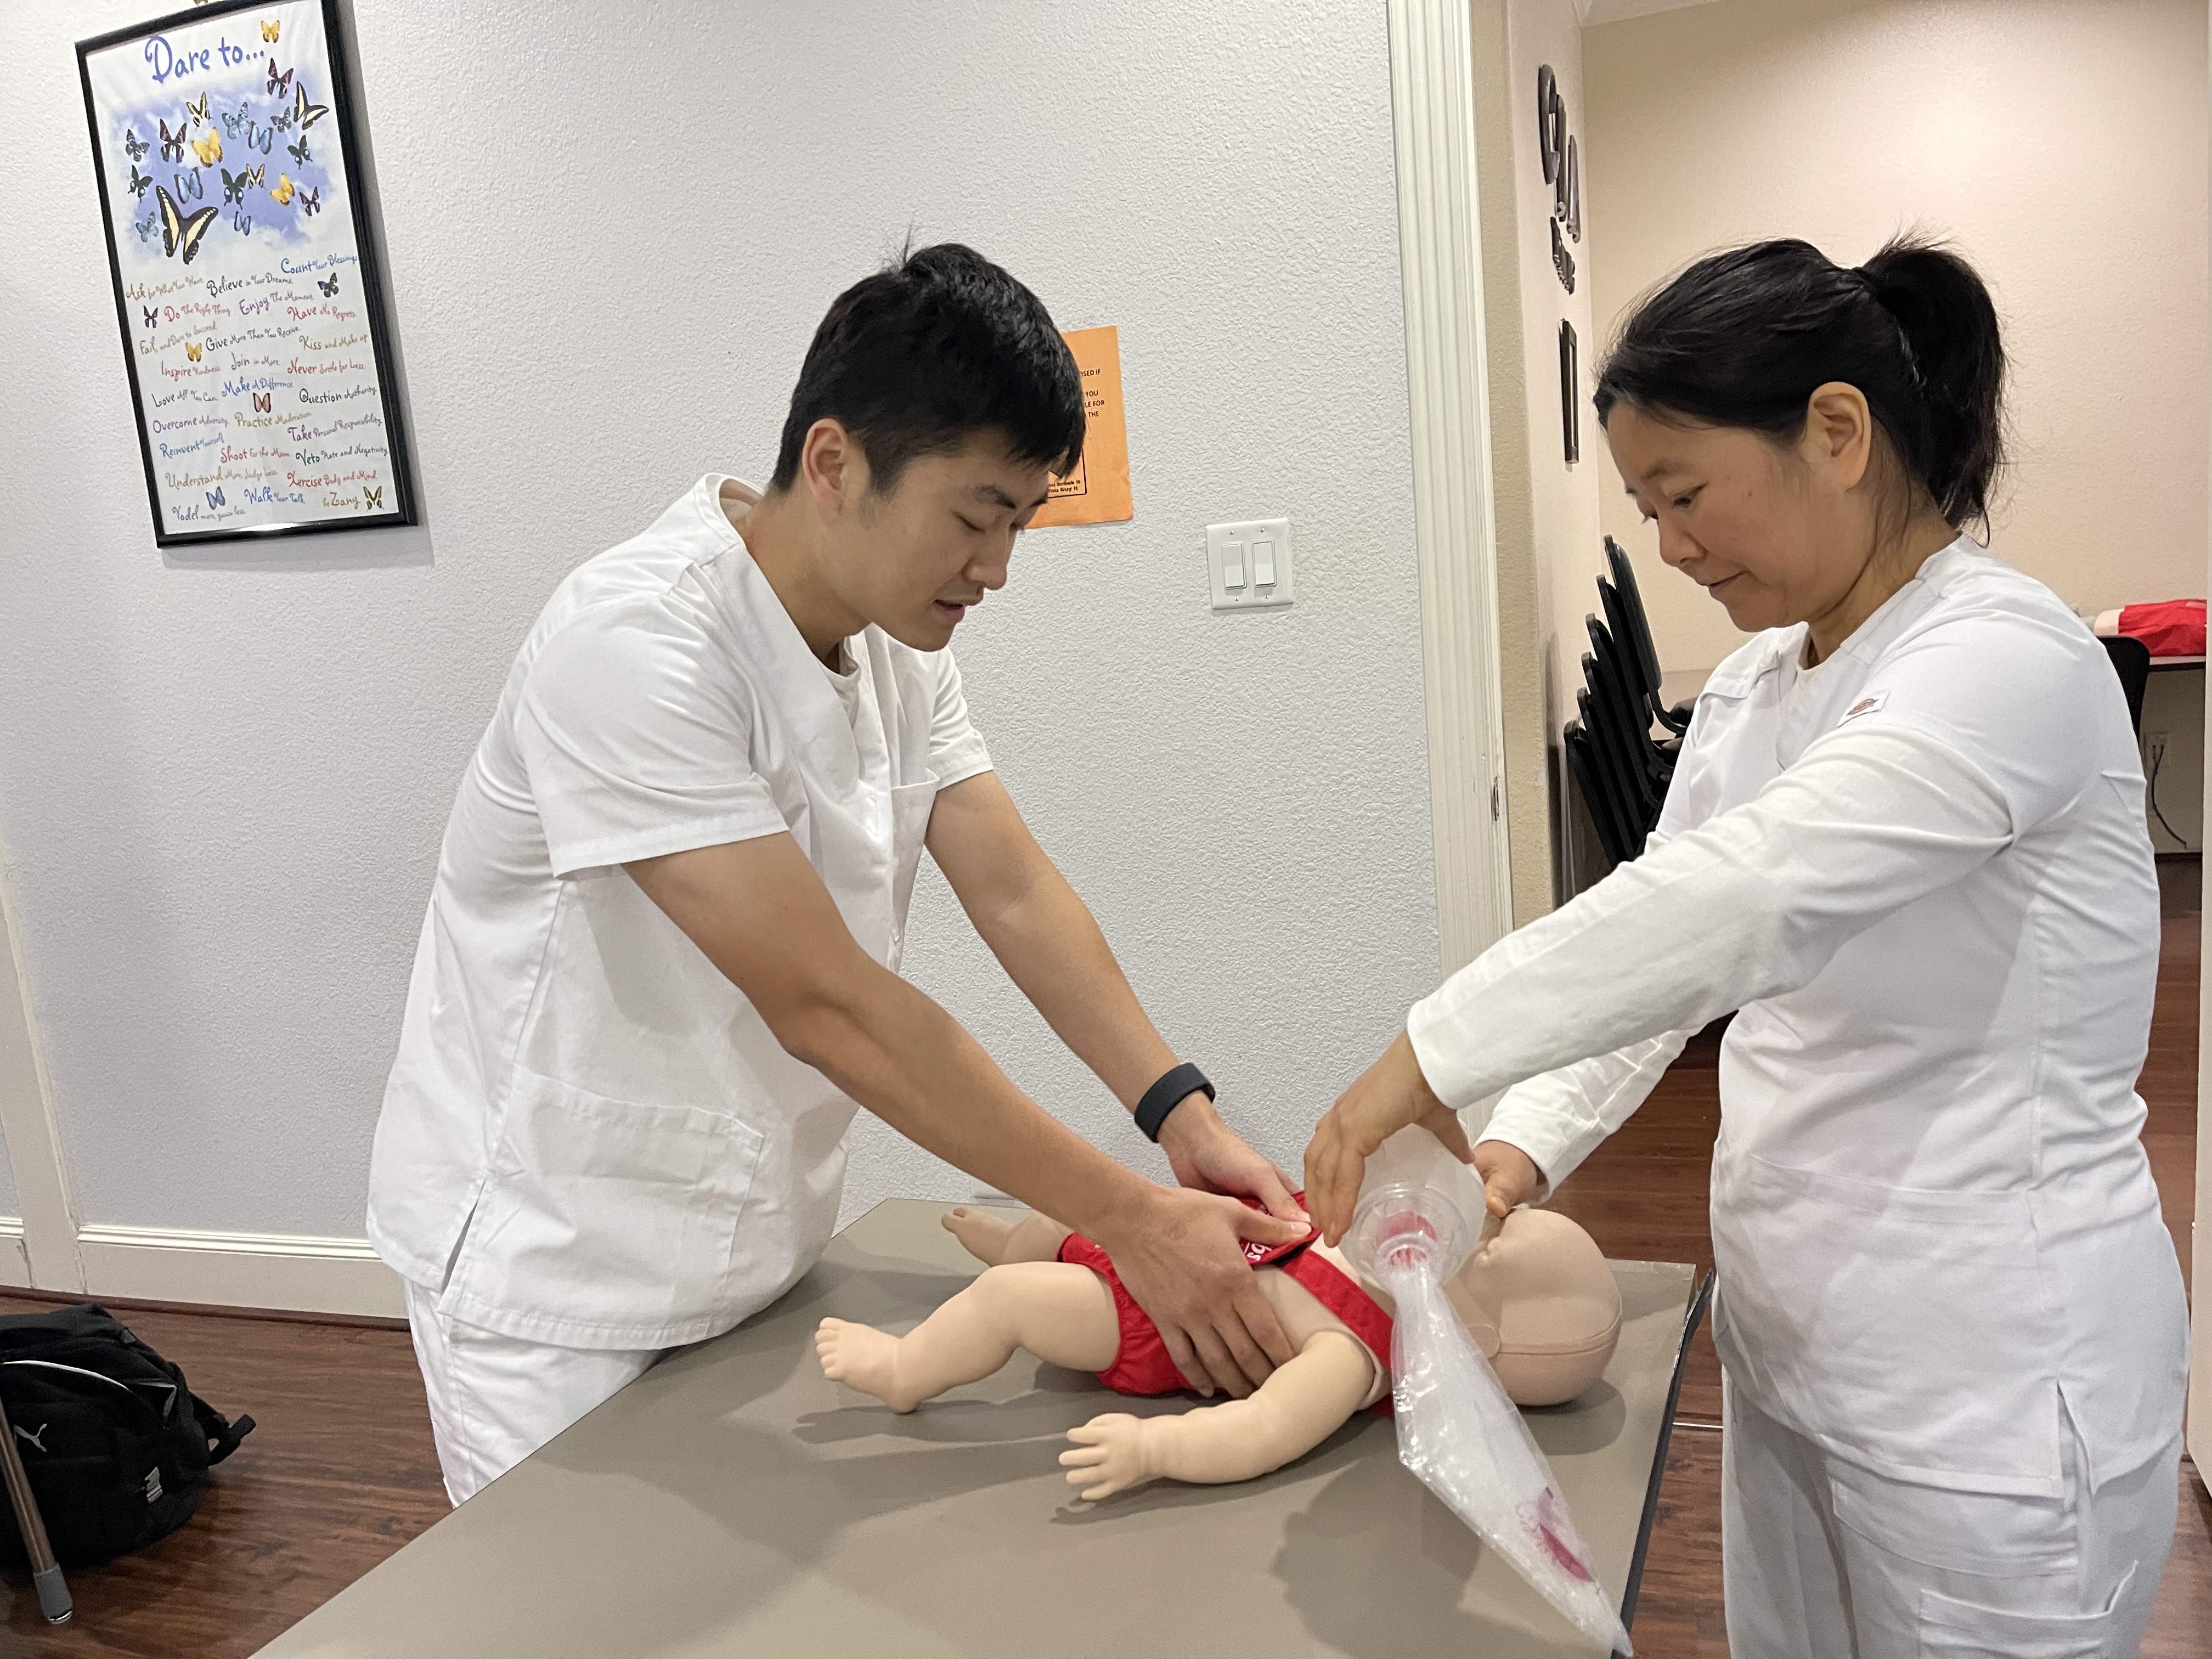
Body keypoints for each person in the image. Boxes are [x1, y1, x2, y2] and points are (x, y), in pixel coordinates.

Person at [1305, 235, 2189, 1655]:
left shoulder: (2003, 663)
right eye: (1648, 508)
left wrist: (1428, 1051)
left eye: (1687, 492)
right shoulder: (1758, 690)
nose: (1670, 545)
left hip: (1993, 1401)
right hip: (1788, 1367)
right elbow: (1670, 977)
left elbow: (1755, 894)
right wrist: (1512, 1154)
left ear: (1837, 433)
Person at [368, 244, 1310, 1505]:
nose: (998, 568)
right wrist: (1134, 1225)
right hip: (555, 1272)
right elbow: (827, 1006)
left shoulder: (901, 647)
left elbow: (1014, 888)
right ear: (834, 466)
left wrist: (1184, 1119)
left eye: (1021, 525)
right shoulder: (632, 644)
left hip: (747, 1244)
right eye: (976, 518)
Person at [811, 1178, 1621, 1499]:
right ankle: (1023, 1236)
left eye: (1483, 1257)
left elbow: (1262, 1431)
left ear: (1479, 1339)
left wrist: (1157, 1450)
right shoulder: (1370, 1232)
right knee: (1080, 1206)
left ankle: (904, 1368)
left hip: (1145, 1321)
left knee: (1009, 1300)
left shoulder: (1355, 1355)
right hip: (1172, 1243)